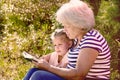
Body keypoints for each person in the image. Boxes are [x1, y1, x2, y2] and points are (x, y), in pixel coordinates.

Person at [29, 0, 111, 80]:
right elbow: (61, 51)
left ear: (79, 24)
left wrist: (49, 67)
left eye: (67, 26)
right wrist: (46, 58)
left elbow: (79, 75)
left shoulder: (92, 39)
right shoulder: (77, 39)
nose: (64, 30)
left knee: (39, 76)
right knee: (33, 71)